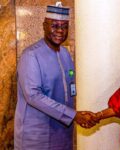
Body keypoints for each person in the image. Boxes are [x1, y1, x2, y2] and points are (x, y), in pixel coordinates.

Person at [14, 2, 97, 150]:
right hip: (36, 137)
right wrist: (74, 115)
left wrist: (77, 115)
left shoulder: (65, 54)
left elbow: (70, 89)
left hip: (62, 134)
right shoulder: (31, 55)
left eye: (64, 26)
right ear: (44, 25)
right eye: (54, 25)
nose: (60, 31)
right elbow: (33, 95)